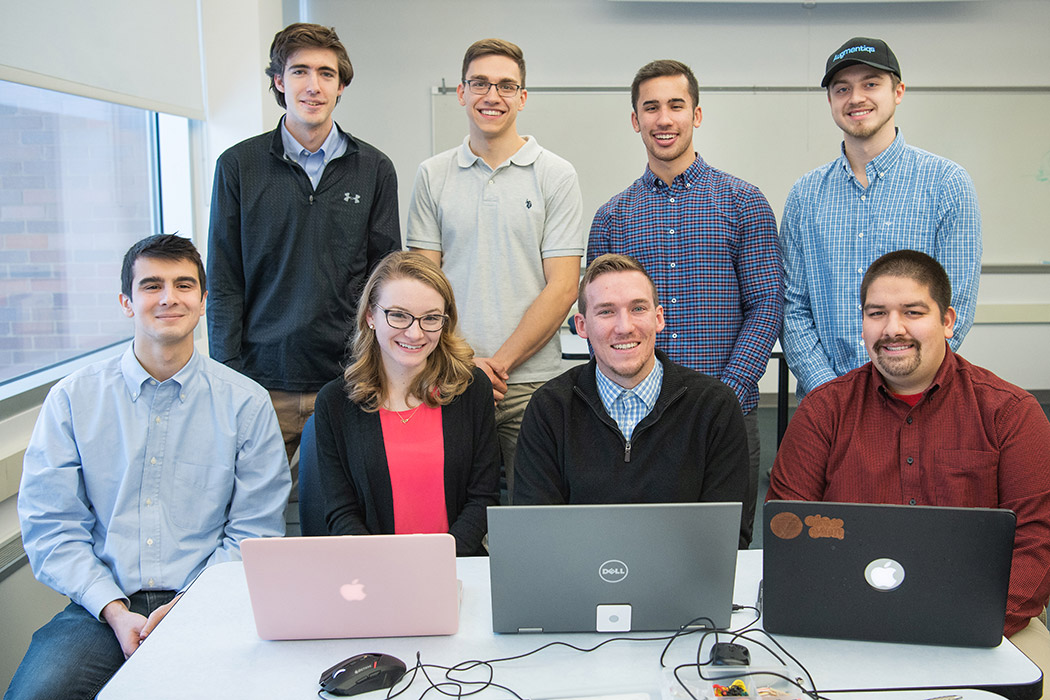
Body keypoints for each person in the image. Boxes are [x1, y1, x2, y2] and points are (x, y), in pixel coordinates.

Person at [8, 234, 290, 700]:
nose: (168, 298)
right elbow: (52, 526)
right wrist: (114, 610)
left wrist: (186, 606)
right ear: (126, 302)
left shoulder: (246, 403)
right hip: (101, 608)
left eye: (183, 285)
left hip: (210, 600)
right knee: (38, 693)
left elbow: (253, 533)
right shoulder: (74, 399)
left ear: (202, 302)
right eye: (151, 285)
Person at [769, 250, 1050, 677]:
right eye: (876, 313)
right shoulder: (823, 411)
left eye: (913, 312)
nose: (892, 329)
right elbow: (786, 532)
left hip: (987, 627)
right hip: (847, 626)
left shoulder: (1009, 412)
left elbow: (1038, 541)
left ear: (948, 321)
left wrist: (967, 625)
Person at [588, 59, 781, 545]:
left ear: (696, 114)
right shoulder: (612, 218)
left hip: (729, 415)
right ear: (636, 120)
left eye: (676, 105)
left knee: (722, 553)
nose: (663, 118)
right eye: (650, 108)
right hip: (635, 422)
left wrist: (726, 394)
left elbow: (766, 305)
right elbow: (601, 322)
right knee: (634, 550)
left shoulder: (744, 202)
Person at [207, 22, 401, 482]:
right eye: (299, 72)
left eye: (326, 73)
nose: (313, 86)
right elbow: (224, 280)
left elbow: (386, 283)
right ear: (279, 81)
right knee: (254, 524)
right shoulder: (238, 166)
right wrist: (228, 379)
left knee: (340, 521)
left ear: (341, 85)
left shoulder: (374, 168)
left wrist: (378, 370)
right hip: (260, 384)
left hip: (347, 382)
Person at [407, 38, 584, 503]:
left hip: (531, 385)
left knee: (537, 518)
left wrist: (496, 366)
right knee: (446, 513)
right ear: (462, 93)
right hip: (447, 377)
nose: (493, 95)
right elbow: (425, 290)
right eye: (480, 83)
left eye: (507, 86)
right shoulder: (432, 175)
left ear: (523, 98)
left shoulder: (556, 175)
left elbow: (564, 286)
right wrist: (466, 367)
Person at [780, 37, 981, 399]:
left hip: (917, 396)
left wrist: (900, 381)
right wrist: (832, 392)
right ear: (831, 101)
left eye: (871, 83)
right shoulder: (804, 196)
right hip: (827, 402)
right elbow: (793, 309)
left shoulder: (947, 184)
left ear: (898, 91)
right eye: (843, 88)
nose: (856, 98)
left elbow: (956, 306)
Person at [514, 254, 751, 548]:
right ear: (582, 325)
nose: (624, 327)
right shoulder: (549, 408)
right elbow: (537, 532)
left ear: (659, 317)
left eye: (638, 308)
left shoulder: (714, 407)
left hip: (682, 583)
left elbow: (728, 535)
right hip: (581, 583)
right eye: (606, 312)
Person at [313, 252, 500, 556]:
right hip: (373, 572)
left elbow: (483, 498)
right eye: (398, 315)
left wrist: (439, 562)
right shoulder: (335, 403)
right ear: (370, 316)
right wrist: (389, 569)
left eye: (430, 318)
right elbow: (341, 512)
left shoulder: (471, 388)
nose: (415, 333)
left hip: (457, 564)